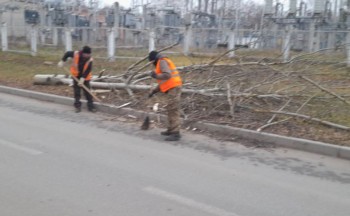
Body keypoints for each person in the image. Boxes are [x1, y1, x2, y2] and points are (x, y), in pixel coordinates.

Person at [148, 50, 182, 141]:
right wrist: (153, 92)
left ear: (153, 59)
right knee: (170, 109)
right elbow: (163, 82)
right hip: (172, 88)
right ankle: (171, 130)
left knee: (173, 109)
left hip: (174, 88)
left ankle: (175, 133)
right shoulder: (160, 62)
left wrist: (156, 76)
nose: (152, 64)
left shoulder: (162, 61)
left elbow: (167, 75)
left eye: (151, 62)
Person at [57, 46, 96, 113]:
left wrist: (83, 78)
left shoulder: (90, 59)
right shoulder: (76, 54)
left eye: (89, 54)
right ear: (83, 53)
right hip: (76, 75)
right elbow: (67, 53)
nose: (88, 55)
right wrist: (62, 61)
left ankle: (91, 106)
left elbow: (88, 70)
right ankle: (77, 106)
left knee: (87, 92)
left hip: (85, 77)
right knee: (77, 91)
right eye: (87, 54)